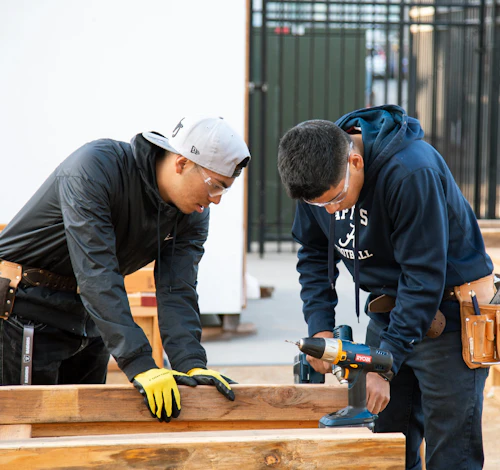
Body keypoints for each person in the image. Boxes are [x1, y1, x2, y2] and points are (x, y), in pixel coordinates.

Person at [277, 105, 492, 470]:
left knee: (450, 452)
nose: (329, 212)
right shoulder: (317, 176)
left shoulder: (411, 171)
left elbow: (423, 278)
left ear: (356, 162)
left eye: (334, 199)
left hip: (451, 313)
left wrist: (383, 366)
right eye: (318, 204)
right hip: (392, 310)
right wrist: (320, 326)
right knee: (388, 444)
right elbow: (313, 253)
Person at [0, 115, 251, 423]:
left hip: (89, 319)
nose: (217, 200)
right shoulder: (96, 168)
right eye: (215, 185)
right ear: (182, 163)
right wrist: (139, 361)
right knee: (26, 435)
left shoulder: (192, 213)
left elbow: (177, 289)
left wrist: (190, 362)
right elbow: (97, 271)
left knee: (85, 434)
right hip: (23, 310)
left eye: (225, 189)